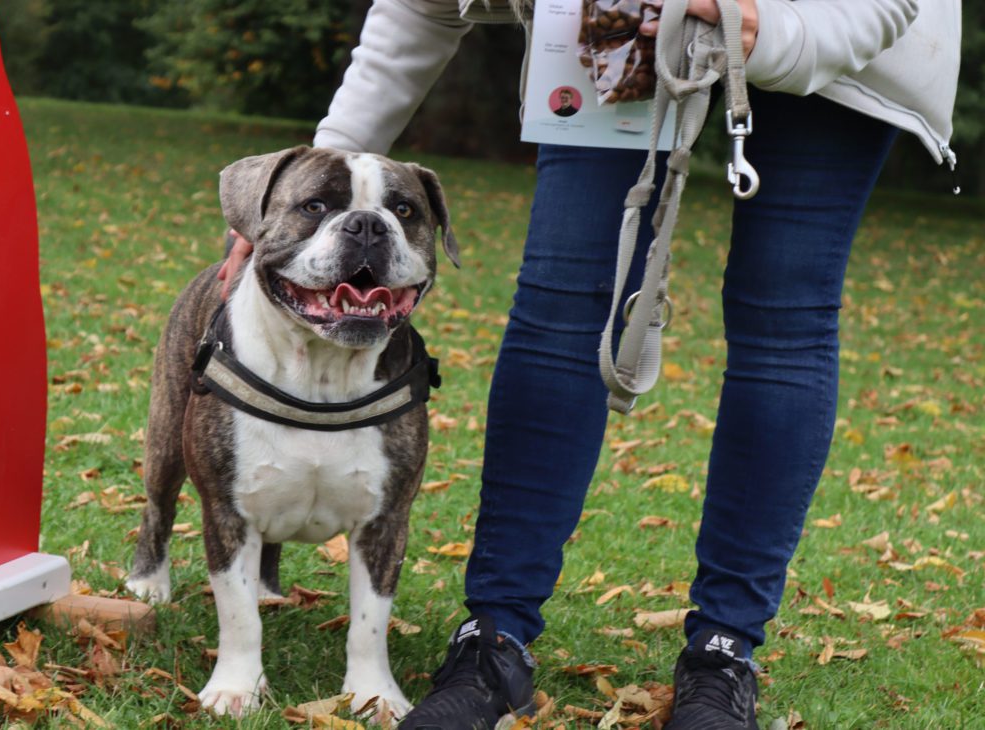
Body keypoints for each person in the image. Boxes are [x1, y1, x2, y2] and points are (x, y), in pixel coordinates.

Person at [219, 1, 961, 727]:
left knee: (784, 318)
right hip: (618, 26)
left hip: (840, 32)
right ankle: (495, 640)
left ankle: (724, 650)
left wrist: (784, 32)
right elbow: (422, 6)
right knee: (560, 300)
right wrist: (298, 193)